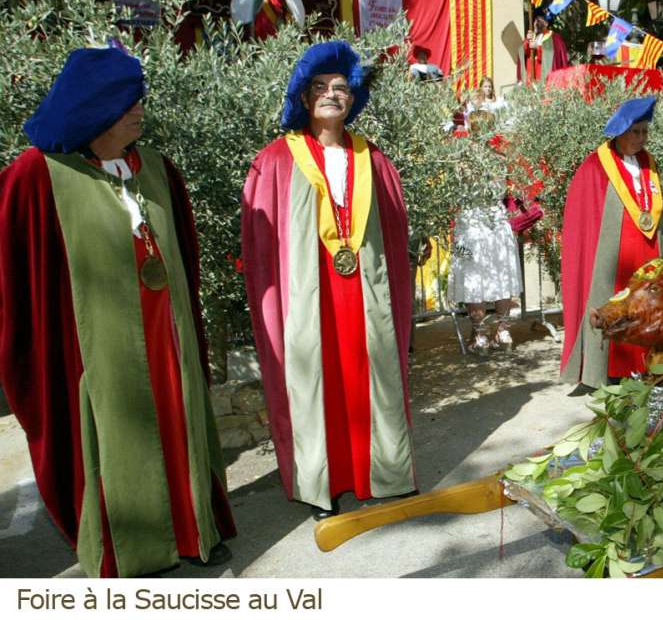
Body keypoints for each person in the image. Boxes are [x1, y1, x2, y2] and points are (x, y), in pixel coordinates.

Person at [0, 46, 235, 576]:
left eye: (138, 98)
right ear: (94, 107)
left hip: (166, 336)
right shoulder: (37, 176)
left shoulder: (155, 167)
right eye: (127, 101)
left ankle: (195, 528)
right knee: (120, 436)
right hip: (98, 347)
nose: (139, 109)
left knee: (178, 421)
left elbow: (184, 257)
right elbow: (15, 279)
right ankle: (135, 549)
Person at [242, 41, 416, 520]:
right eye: (320, 87)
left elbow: (393, 230)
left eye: (341, 87)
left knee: (365, 375)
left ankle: (380, 472)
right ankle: (325, 482)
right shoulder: (277, 160)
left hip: (363, 290)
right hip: (308, 292)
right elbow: (261, 246)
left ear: (352, 98)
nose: (331, 95)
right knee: (318, 380)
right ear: (303, 97)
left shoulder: (372, 158)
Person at [561, 96, 663, 389]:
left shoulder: (648, 162)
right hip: (613, 255)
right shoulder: (596, 166)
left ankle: (649, 364)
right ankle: (609, 369)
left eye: (645, 132)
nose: (642, 138)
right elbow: (584, 218)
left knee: (648, 305)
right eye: (636, 132)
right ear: (620, 131)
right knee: (615, 306)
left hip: (646, 251)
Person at [448, 111, 523, 354]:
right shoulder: (500, 158)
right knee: (502, 277)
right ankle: (503, 331)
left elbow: (455, 192)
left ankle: (480, 335)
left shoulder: (461, 158)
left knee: (473, 279)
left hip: (470, 223)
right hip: (497, 223)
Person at [517, 8, 569, 86]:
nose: (537, 24)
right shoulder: (531, 36)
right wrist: (527, 41)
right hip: (530, 79)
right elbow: (522, 52)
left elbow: (553, 55)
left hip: (545, 79)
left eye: (540, 21)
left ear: (546, 23)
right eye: (536, 21)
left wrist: (538, 48)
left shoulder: (555, 39)